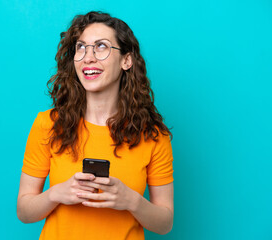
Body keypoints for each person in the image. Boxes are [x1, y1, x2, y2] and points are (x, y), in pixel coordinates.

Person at [17, 11, 174, 240]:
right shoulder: (48, 124)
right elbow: (24, 211)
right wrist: (56, 194)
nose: (88, 57)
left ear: (126, 60)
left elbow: (165, 223)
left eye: (101, 47)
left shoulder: (153, 136)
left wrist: (131, 201)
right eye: (81, 48)